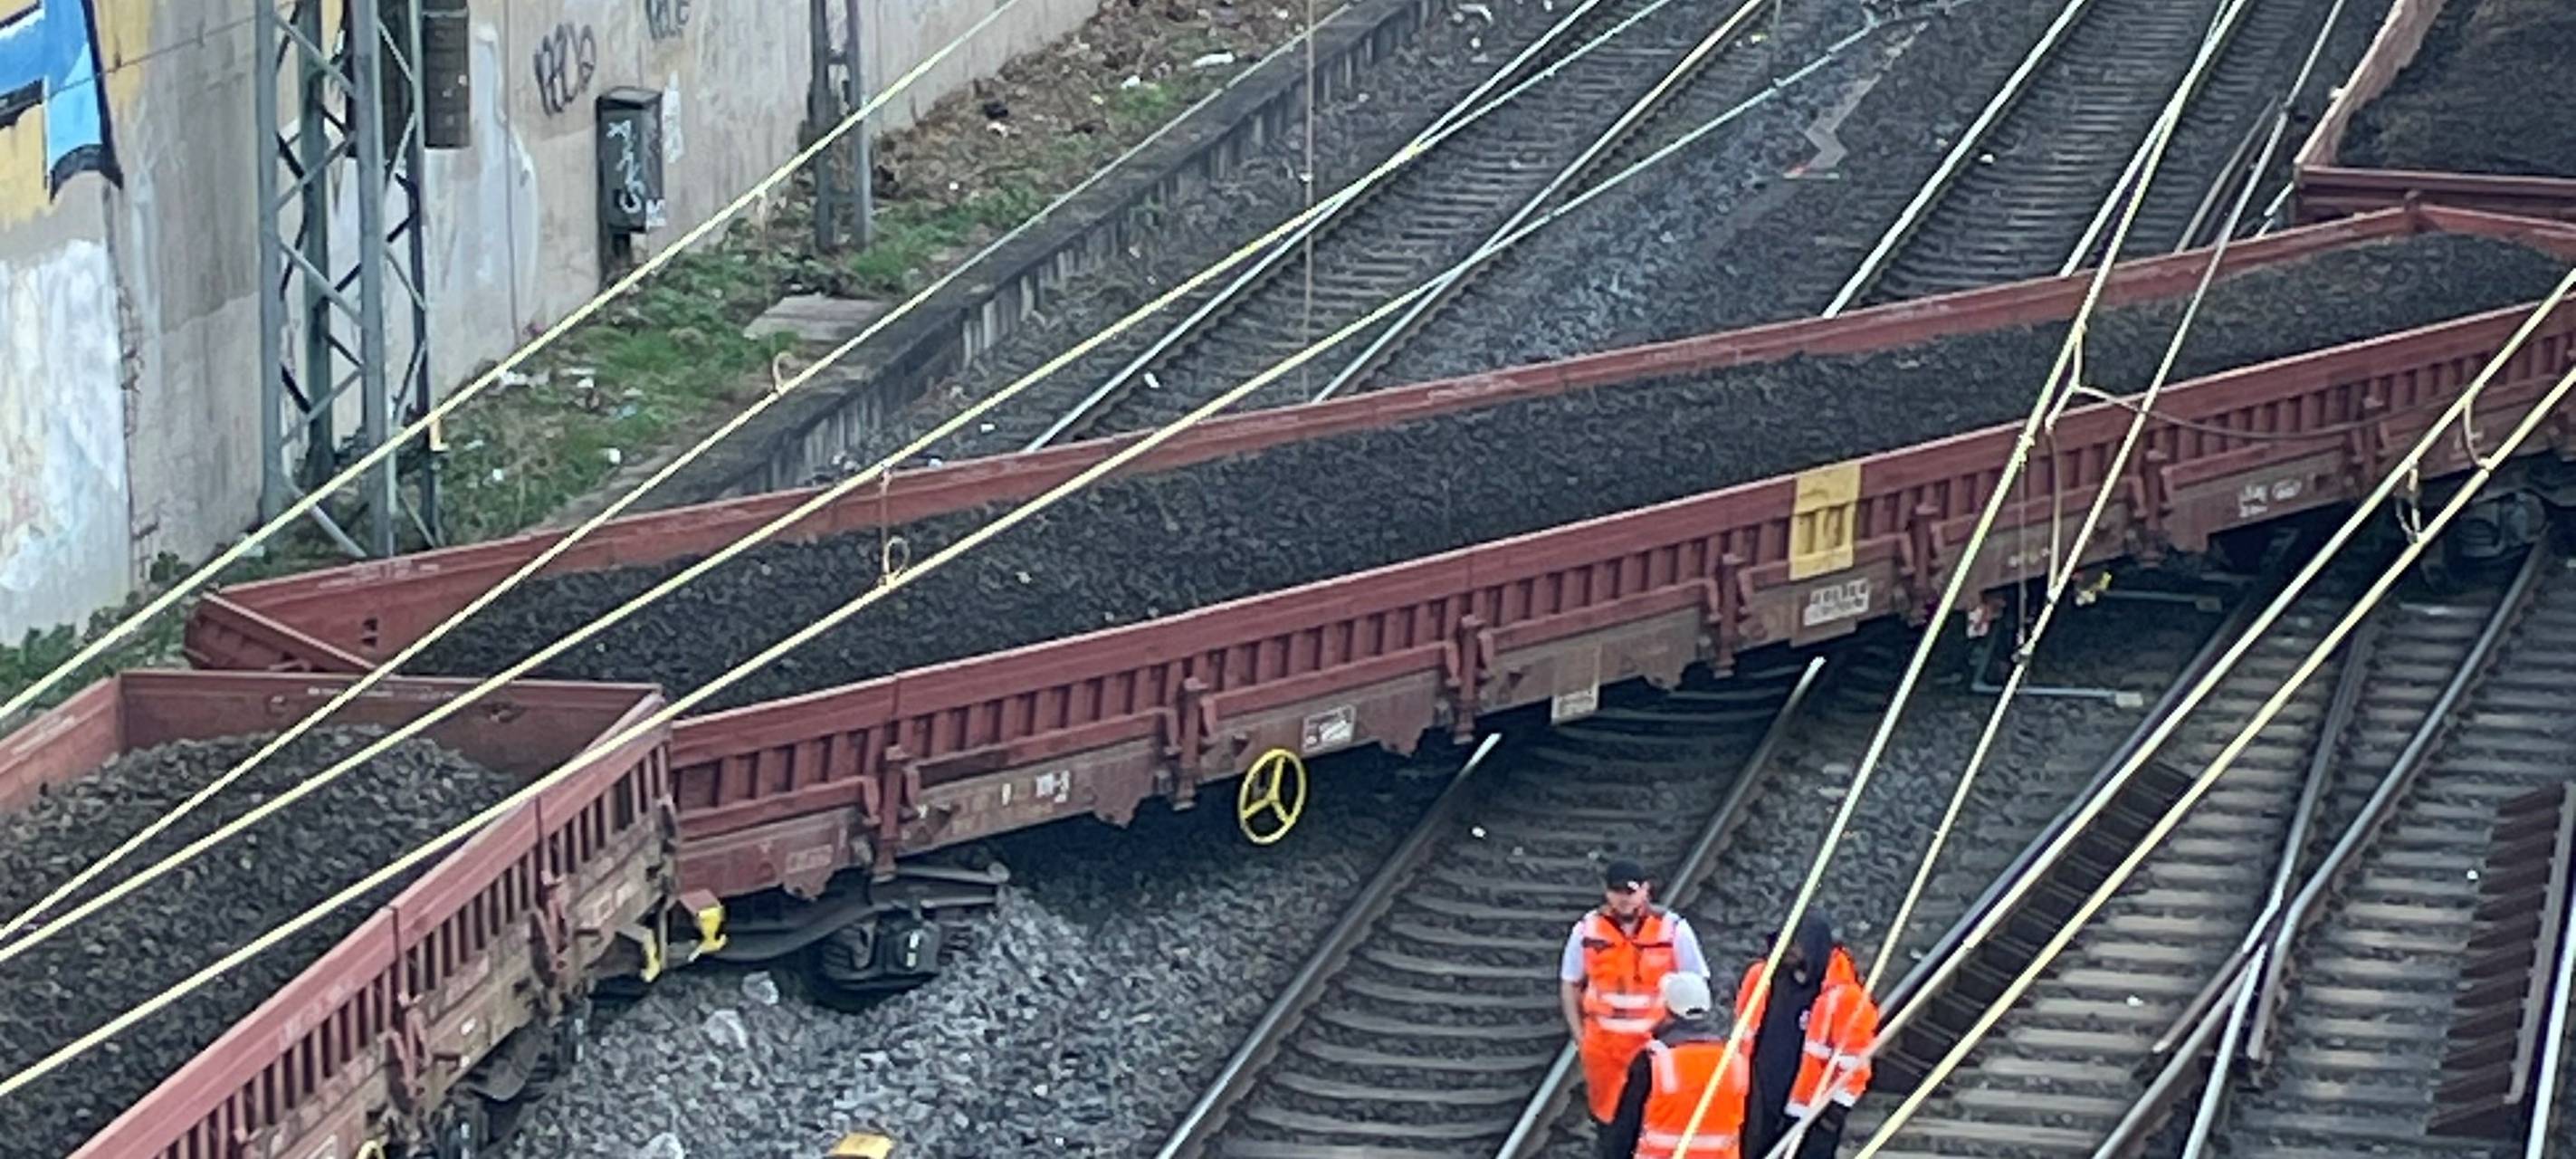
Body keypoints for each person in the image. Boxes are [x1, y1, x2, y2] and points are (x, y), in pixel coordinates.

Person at [1561, 859, 1711, 1131]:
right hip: (1604, 1052)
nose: (1623, 900)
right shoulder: (1586, 930)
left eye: (1630, 892)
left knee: (1652, 1123)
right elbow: (1570, 983)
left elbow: (1694, 984)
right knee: (1610, 1126)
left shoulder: (1672, 929)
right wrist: (1581, 1038)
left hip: (1654, 1047)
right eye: (1616, 892)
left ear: (1645, 890)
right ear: (1606, 893)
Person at [1732, 911, 1879, 1159]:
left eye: (1794, 944)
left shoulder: (1845, 997)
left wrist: (1835, 1112)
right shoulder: (1763, 979)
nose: (1788, 950)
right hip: (1758, 1100)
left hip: (1812, 1112)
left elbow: (1856, 1062)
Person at [1598, 972, 1751, 1159]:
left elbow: (1625, 1129)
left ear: (1667, 1010)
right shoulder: (1735, 1062)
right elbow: (1749, 1125)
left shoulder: (1654, 1060)